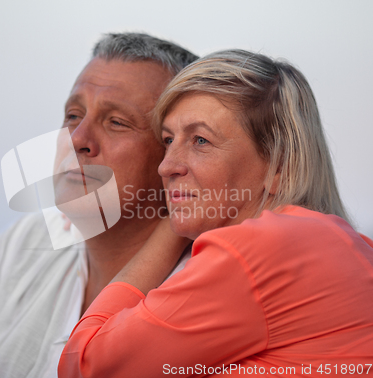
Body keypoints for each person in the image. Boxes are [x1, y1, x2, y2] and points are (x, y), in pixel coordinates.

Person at [58, 50, 373, 377]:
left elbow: (83, 364)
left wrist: (169, 229)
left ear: (280, 167)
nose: (166, 166)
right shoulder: (348, 244)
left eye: (200, 140)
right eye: (168, 140)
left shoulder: (257, 252)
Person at [0, 33, 198, 378]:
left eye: (116, 121)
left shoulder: (200, 292)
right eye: (73, 115)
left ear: (173, 152)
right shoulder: (24, 244)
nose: (78, 139)